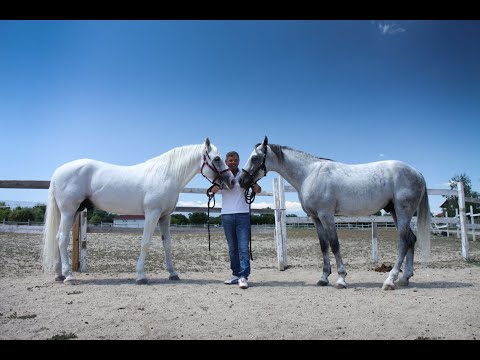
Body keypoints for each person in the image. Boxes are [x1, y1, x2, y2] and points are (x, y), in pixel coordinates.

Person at [210, 150, 261, 289]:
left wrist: (254, 186)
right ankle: (235, 274)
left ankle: (243, 276)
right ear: (226, 162)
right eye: (230, 160)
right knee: (232, 248)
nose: (233, 162)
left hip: (242, 215)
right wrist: (213, 189)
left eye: (235, 160)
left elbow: (258, 190)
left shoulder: (245, 175)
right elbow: (211, 190)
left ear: (238, 161)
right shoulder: (221, 177)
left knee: (243, 248)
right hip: (226, 215)